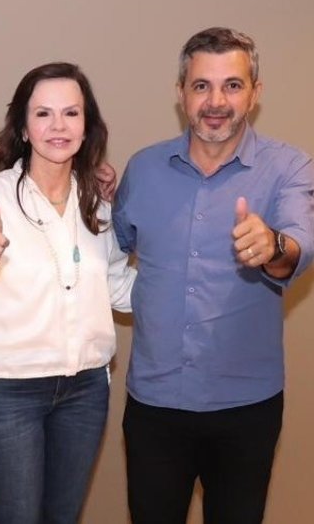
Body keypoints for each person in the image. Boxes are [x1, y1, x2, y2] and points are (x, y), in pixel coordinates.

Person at [113, 27, 314, 523]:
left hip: (246, 408)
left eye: (233, 85)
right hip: (155, 405)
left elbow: (298, 245)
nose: (216, 102)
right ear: (180, 93)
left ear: (255, 93)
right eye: (201, 85)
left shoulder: (290, 168)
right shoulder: (143, 168)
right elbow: (108, 246)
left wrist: (272, 246)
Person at [0, 62, 136, 523]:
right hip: (8, 392)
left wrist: (183, 284)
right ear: (24, 128)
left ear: (86, 126)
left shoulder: (98, 203)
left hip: (85, 389)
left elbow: (117, 287)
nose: (58, 126)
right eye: (43, 114)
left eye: (71, 113)